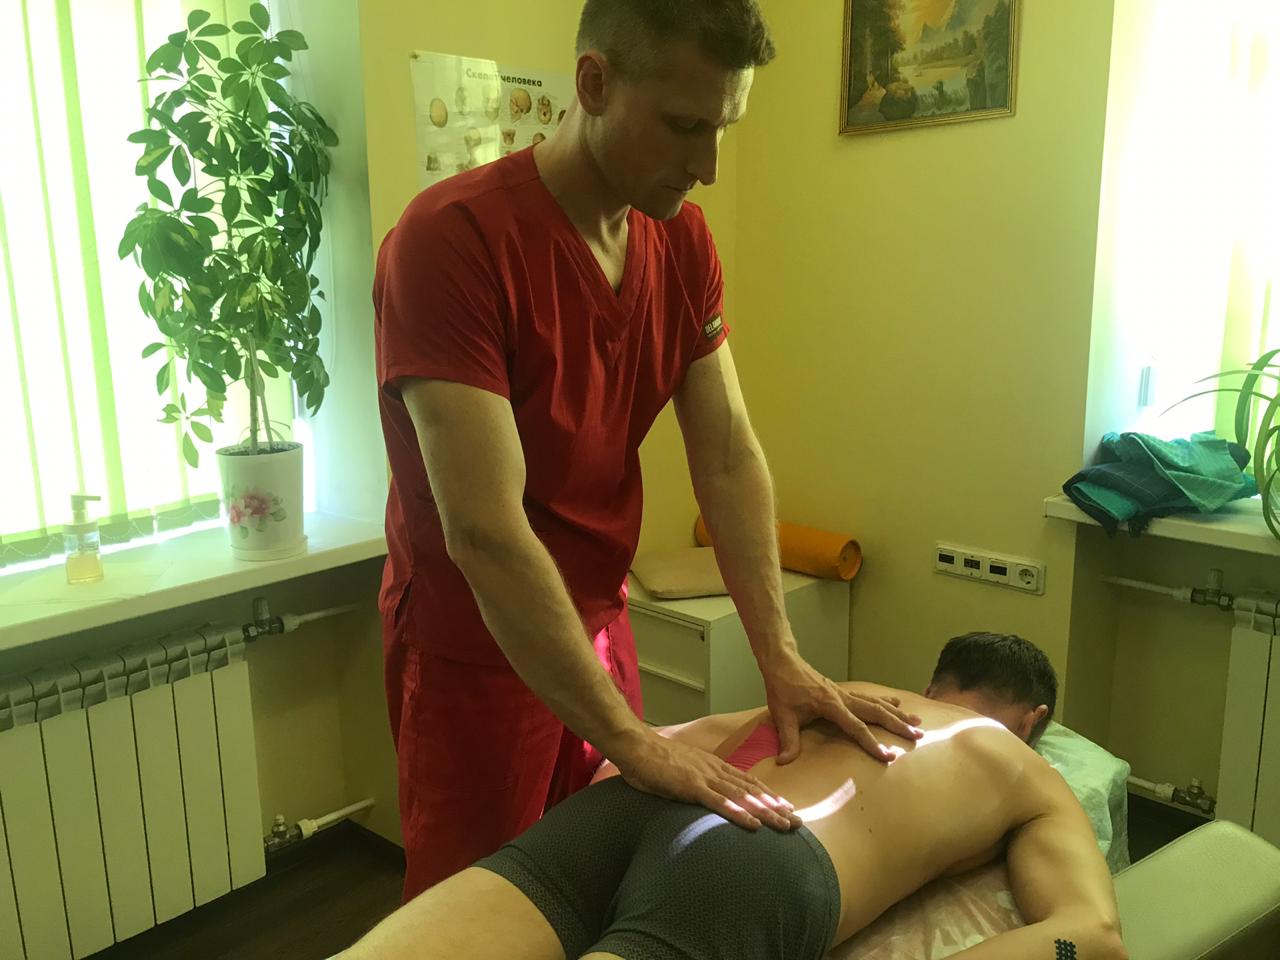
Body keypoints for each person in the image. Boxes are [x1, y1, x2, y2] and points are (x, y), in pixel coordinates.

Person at [372, 0, 922, 899]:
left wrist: (781, 658)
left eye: (725, 128)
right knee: (481, 914)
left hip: (597, 616)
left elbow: (729, 457)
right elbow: (484, 532)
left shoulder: (680, 239)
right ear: (594, 83)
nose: (708, 166)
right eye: (684, 127)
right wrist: (632, 740)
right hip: (477, 647)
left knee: (600, 881)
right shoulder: (452, 241)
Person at [337, 633, 1128, 960]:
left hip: (625, 809)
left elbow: (660, 741)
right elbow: (1091, 936)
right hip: (753, 859)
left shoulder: (843, 691)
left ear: (934, 683)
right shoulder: (1026, 769)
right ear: (1036, 719)